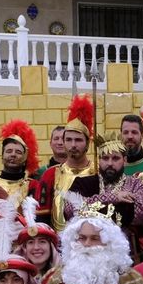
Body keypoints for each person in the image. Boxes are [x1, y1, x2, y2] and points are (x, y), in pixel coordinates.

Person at [68, 140, 143, 255]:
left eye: (115, 158)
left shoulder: (135, 184)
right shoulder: (83, 183)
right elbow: (70, 209)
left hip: (126, 252)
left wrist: (92, 207)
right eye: (105, 158)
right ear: (99, 160)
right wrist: (114, 198)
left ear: (125, 160)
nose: (110, 163)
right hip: (88, 250)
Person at [34, 96, 97, 226]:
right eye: (68, 140)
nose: (73, 145)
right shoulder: (51, 174)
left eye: (78, 140)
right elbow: (42, 217)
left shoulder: (98, 172)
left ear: (87, 143)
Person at [0, 121, 37, 205]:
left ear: (25, 159)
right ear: (2, 156)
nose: (13, 154)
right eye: (9, 151)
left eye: (18, 152)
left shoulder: (32, 186)